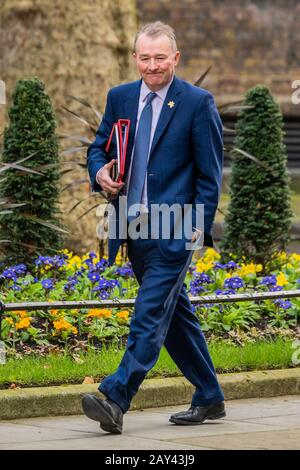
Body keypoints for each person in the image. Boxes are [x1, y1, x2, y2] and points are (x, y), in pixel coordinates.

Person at [83, 21, 225, 434]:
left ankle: (116, 397)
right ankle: (210, 395)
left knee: (148, 313)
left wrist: (196, 227)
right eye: (144, 58)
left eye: (160, 58)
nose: (152, 66)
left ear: (175, 58)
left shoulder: (198, 103)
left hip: (176, 229)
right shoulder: (120, 97)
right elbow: (98, 148)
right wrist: (100, 174)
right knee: (174, 315)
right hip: (134, 229)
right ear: (135, 57)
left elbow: (209, 176)